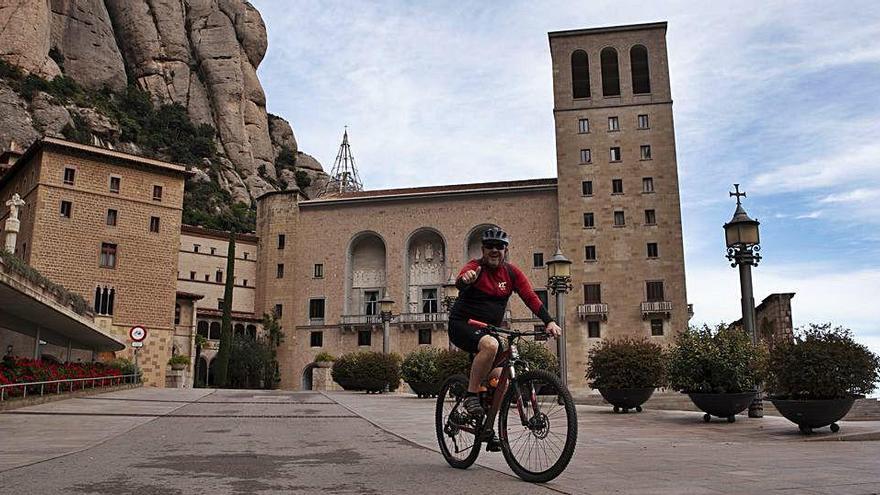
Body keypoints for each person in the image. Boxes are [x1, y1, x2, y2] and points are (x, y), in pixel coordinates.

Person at [447, 227, 562, 420]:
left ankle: (488, 426)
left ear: (505, 250)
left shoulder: (512, 273)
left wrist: (549, 321)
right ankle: (471, 395)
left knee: (502, 379)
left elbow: (530, 297)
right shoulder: (475, 268)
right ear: (483, 250)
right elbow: (461, 281)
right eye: (490, 246)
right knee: (490, 345)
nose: (494, 250)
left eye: (499, 246)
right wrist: (466, 280)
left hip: (489, 330)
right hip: (462, 326)